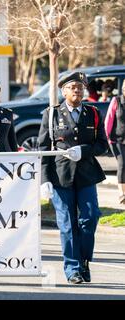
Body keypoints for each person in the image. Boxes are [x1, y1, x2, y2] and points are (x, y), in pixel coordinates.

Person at [38, 71, 108, 284]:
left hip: (86, 174)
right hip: (60, 176)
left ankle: (84, 261)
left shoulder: (93, 113)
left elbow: (102, 145)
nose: (77, 90)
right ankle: (72, 269)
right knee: (67, 224)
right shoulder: (51, 114)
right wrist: (44, 179)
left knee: (90, 218)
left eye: (80, 87)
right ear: (63, 91)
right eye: (72, 87)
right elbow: (43, 147)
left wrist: (84, 150)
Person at [104, 80, 125, 204]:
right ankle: (122, 193)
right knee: (122, 164)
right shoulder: (116, 101)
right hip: (116, 139)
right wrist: (107, 138)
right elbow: (108, 120)